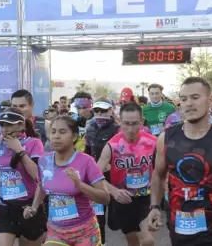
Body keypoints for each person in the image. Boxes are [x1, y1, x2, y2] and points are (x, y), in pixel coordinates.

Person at [146, 77, 212, 246]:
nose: (188, 103)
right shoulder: (166, 139)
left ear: (210, 100)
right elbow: (158, 176)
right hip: (180, 224)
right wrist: (154, 206)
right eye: (183, 99)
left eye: (195, 97)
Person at [23, 115, 110, 246]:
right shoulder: (44, 160)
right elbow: (42, 185)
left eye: (62, 132)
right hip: (56, 231)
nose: (56, 136)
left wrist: (80, 185)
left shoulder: (86, 162)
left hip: (84, 231)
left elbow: (105, 198)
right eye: (53, 132)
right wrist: (34, 207)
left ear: (74, 136)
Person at [0, 108, 46, 246]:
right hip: (5, 206)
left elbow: (37, 176)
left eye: (10, 124)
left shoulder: (33, 143)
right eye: (2, 125)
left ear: (21, 125)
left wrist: (19, 151)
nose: (5, 129)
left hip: (29, 206)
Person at [97, 102, 157, 246]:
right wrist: (114, 191)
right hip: (124, 200)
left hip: (147, 198)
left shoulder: (153, 142)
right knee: (132, 241)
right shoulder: (112, 146)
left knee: (147, 240)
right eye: (126, 123)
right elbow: (95, 176)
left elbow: (165, 167)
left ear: (142, 122)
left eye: (135, 123)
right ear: (119, 121)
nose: (130, 129)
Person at [85, 98, 120, 245]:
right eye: (97, 110)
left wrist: (112, 165)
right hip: (95, 177)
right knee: (98, 215)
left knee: (115, 219)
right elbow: (87, 151)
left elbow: (123, 153)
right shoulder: (90, 128)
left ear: (110, 111)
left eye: (103, 111)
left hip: (114, 176)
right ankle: (101, 242)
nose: (100, 114)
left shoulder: (117, 129)